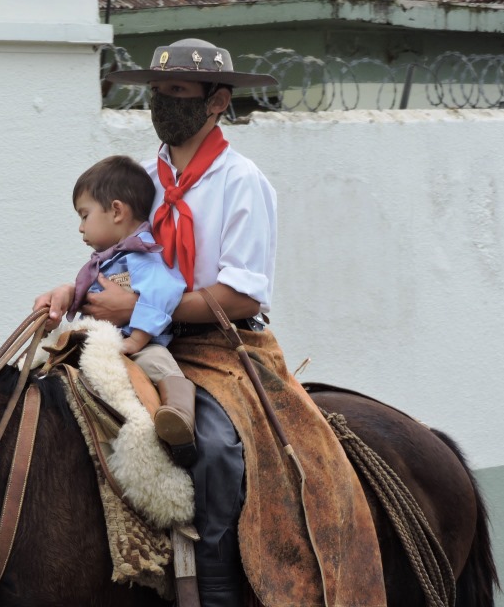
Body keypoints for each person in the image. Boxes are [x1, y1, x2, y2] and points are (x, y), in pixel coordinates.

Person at [36, 39, 385, 607]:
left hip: (222, 345)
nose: (162, 104)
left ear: (217, 101)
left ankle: (218, 587)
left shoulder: (241, 182)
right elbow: (115, 251)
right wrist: (69, 290)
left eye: (177, 93)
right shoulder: (140, 175)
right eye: (157, 92)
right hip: (141, 334)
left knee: (216, 448)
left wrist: (144, 310)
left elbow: (241, 297)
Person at [67, 155, 196, 465]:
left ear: (116, 211)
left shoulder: (140, 255)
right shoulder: (107, 260)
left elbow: (165, 291)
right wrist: (66, 296)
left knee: (157, 362)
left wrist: (137, 339)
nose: (81, 228)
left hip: (137, 344)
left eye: (85, 215)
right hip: (105, 341)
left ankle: (180, 419)